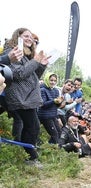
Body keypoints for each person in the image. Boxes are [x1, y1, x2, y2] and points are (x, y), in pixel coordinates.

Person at [2, 28, 49, 167]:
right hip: (19, 96)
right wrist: (35, 61)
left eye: (31, 37)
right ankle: (31, 157)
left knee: (30, 127)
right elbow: (18, 74)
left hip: (28, 96)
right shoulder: (11, 52)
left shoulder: (26, 55)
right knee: (33, 127)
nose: (30, 39)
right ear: (18, 36)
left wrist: (41, 64)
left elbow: (33, 77)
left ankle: (25, 155)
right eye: (26, 36)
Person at [38, 72, 62, 144]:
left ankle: (49, 147)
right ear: (47, 80)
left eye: (55, 81)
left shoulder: (56, 90)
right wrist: (54, 101)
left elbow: (56, 106)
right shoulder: (42, 90)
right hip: (45, 116)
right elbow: (43, 104)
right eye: (51, 80)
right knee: (54, 135)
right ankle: (51, 149)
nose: (53, 82)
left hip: (53, 115)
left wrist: (59, 102)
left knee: (59, 132)